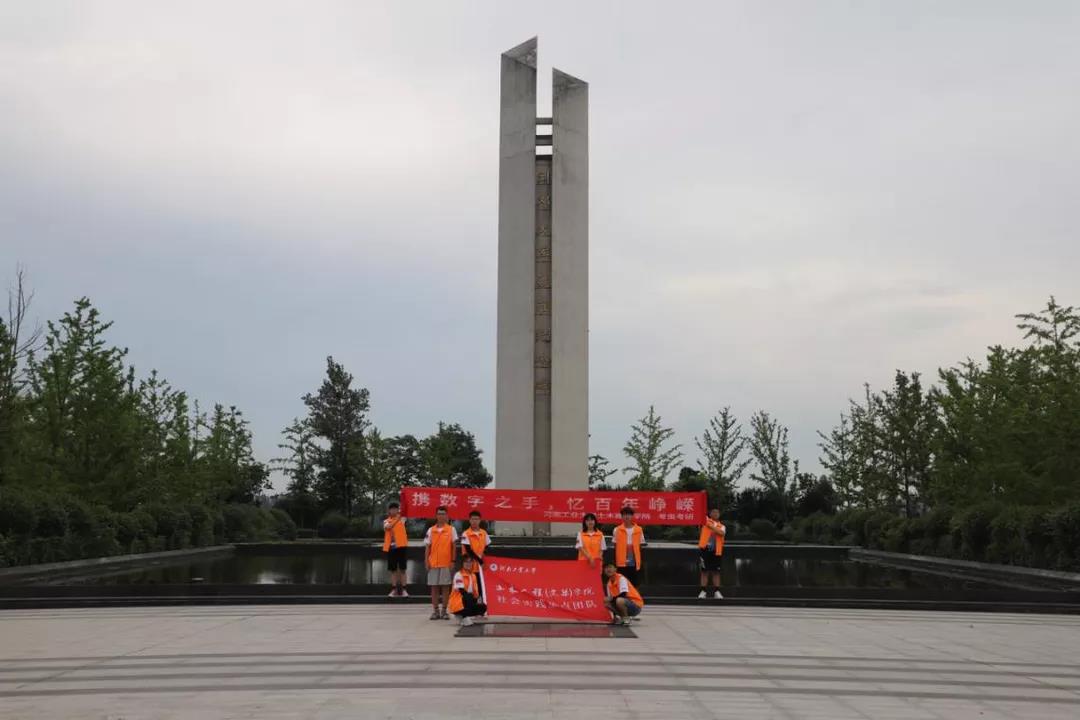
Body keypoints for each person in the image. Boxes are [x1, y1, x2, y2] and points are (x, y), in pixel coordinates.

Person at [424, 506, 458, 620]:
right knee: (434, 587)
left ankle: (444, 611)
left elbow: (454, 547)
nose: (441, 516)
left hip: (446, 563)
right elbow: (427, 547)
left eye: (443, 514)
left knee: (445, 587)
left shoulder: (451, 529)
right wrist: (426, 561)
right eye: (439, 514)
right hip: (433, 563)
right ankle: (435, 611)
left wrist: (453, 561)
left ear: (447, 516)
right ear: (436, 516)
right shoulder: (431, 530)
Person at [460, 510, 491, 601]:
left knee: (480, 585)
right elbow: (468, 550)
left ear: (480, 520)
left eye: (476, 519)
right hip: (469, 565)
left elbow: (487, 545)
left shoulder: (484, 533)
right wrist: (480, 561)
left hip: (481, 567)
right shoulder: (465, 534)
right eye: (473, 519)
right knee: (470, 586)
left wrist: (484, 554)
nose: (474, 521)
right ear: (469, 520)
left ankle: (481, 604)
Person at [448, 555, 487, 626]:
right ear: (462, 563)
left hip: (467, 599)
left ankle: (462, 616)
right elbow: (461, 591)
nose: (468, 564)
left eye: (470, 562)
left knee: (482, 607)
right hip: (457, 601)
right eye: (466, 562)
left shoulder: (473, 575)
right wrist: (471, 598)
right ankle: (462, 615)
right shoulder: (458, 574)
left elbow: (475, 593)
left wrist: (478, 600)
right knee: (468, 597)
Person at [698, 508, 726, 599]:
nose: (715, 514)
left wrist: (711, 526)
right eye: (713, 512)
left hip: (716, 552)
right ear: (710, 514)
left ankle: (717, 592)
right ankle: (703, 591)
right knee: (704, 571)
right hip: (705, 551)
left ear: (719, 514)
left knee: (716, 572)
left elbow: (721, 533)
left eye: (717, 512)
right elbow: (699, 514)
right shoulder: (704, 522)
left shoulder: (722, 526)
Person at [382, 501, 409, 598]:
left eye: (395, 509)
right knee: (393, 570)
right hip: (391, 547)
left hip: (401, 546)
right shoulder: (386, 521)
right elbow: (388, 527)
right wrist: (397, 518)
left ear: (398, 510)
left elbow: (406, 510)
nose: (394, 510)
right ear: (389, 511)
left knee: (402, 569)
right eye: (392, 509)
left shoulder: (402, 519)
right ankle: (394, 589)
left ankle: (404, 590)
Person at [612, 506, 644, 586]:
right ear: (622, 516)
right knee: (622, 583)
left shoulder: (639, 529)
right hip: (621, 562)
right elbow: (615, 545)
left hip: (634, 562)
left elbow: (640, 545)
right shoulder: (617, 529)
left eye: (629, 514)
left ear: (632, 516)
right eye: (624, 514)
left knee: (634, 583)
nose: (627, 516)